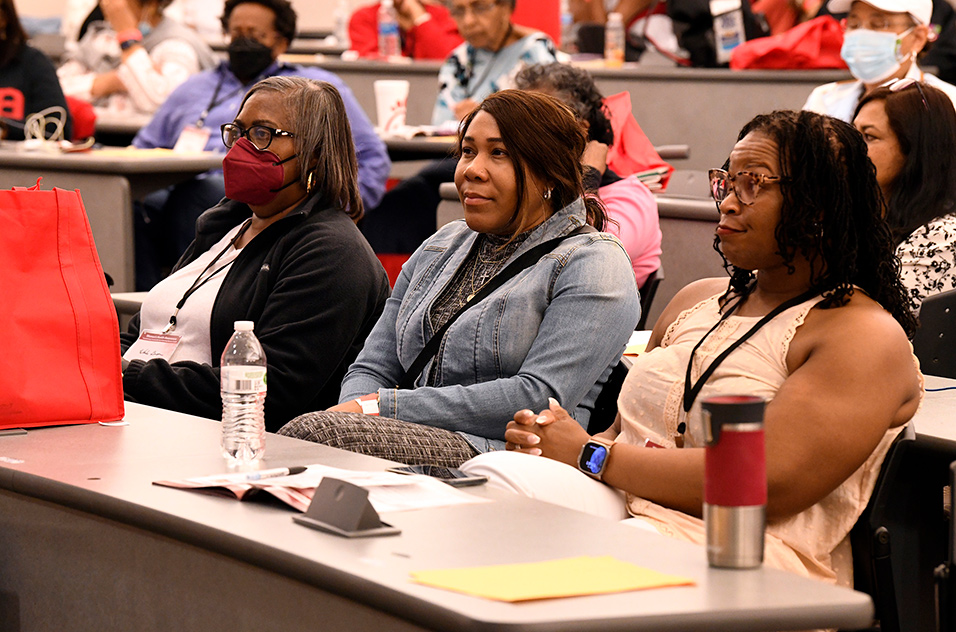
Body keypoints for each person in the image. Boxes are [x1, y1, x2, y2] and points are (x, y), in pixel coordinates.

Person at [461, 109, 923, 587]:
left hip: (747, 553)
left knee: (536, 565)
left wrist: (589, 456)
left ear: (820, 205)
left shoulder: (861, 334)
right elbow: (621, 433)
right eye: (727, 180)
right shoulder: (698, 301)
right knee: (492, 482)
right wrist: (551, 442)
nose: (726, 203)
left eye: (752, 184)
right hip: (627, 507)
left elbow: (766, 483)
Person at [278, 90, 640, 467]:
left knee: (312, 437)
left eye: (498, 153)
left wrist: (378, 408)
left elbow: (537, 398)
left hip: (507, 456)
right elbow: (374, 367)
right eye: (468, 151)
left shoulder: (593, 262)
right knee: (311, 439)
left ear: (549, 172)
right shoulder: (443, 244)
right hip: (400, 432)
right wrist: (357, 411)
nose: (472, 169)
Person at [121, 76, 391, 432]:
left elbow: (271, 389)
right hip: (144, 416)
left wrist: (126, 378)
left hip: (230, 442)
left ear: (314, 153)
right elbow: (148, 329)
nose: (240, 149)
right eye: (239, 132)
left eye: (262, 135)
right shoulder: (224, 225)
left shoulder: (332, 252)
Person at [132, 0, 390, 291]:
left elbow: (372, 159)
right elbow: (142, 148)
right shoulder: (193, 88)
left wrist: (333, 211)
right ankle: (152, 298)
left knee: (198, 196)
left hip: (263, 197)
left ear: (280, 42)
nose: (243, 42)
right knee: (137, 203)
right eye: (236, 32)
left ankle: (196, 293)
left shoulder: (312, 89)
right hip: (185, 192)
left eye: (255, 35)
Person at [361, 0, 557, 256]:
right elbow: (446, 123)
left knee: (411, 202)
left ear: (507, 7)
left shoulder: (537, 52)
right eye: (459, 11)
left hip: (511, 165)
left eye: (479, 8)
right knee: (395, 203)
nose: (468, 21)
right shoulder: (460, 58)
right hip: (457, 159)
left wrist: (479, 117)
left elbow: (539, 126)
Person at [514, 62, 661, 288]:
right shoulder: (534, 189)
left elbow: (589, 254)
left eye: (536, 120)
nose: (521, 135)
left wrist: (588, 176)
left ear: (581, 129)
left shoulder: (632, 197)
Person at [853, 79, 956, 311]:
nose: (851, 146)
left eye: (869, 137)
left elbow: (883, 320)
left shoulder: (944, 238)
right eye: (852, 132)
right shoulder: (853, 218)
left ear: (914, 150)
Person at [803, 0, 956, 122]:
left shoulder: (949, 102)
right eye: (853, 24)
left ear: (918, 37)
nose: (862, 35)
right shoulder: (823, 99)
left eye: (878, 25)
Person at [57, 0, 217, 116]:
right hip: (93, 138)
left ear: (152, 5)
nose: (111, 6)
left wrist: (128, 40)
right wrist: (109, 82)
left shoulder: (178, 45)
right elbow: (56, 90)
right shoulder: (100, 37)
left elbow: (162, 103)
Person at [0, 0, 73, 140]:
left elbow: (58, 129)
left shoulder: (33, 63)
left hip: (17, 160)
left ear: (4, 18)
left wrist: (6, 129)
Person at [348, 0, 462, 60]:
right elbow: (377, 66)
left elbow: (448, 61)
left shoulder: (441, 15)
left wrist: (420, 17)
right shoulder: (364, 17)